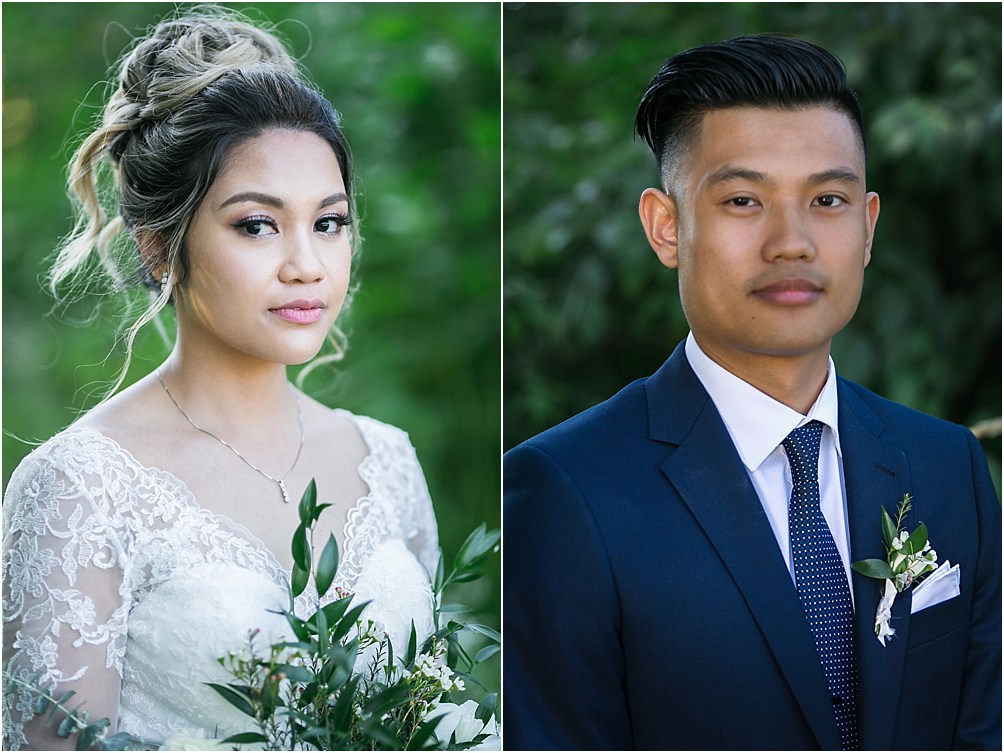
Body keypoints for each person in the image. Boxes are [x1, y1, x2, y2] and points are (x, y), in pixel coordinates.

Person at [503, 34, 1001, 751]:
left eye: (826, 199)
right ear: (666, 226)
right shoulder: (564, 492)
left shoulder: (947, 466)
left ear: (867, 227)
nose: (791, 241)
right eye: (743, 200)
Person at [2, 9, 442, 749]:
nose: (306, 265)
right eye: (257, 225)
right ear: (158, 247)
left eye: (329, 222)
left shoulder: (387, 461)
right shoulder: (80, 488)